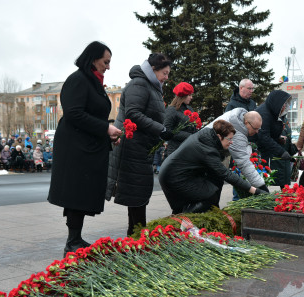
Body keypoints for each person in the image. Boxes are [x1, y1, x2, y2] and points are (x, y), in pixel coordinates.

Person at [48, 41, 122, 257]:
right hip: (75, 148)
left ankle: (76, 238)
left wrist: (108, 134)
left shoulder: (92, 81)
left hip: (86, 146)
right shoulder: (78, 79)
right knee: (76, 192)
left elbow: (92, 115)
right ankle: (72, 241)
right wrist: (106, 128)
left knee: (81, 192)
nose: (108, 66)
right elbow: (74, 114)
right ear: (93, 58)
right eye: (105, 62)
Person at [106, 53, 173, 237]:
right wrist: (160, 129)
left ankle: (135, 234)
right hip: (132, 145)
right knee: (136, 192)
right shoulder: (140, 84)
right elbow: (133, 114)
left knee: (138, 192)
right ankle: (136, 235)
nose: (167, 77)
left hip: (141, 145)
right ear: (153, 69)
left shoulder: (150, 85)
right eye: (165, 73)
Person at [159, 119, 267, 214]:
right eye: (229, 139)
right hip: (175, 178)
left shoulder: (207, 136)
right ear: (219, 136)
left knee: (213, 186)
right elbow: (226, 174)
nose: (231, 142)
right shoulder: (207, 149)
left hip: (175, 173)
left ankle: (189, 215)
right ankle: (183, 218)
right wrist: (255, 191)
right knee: (210, 197)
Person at [211, 108, 267, 190]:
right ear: (246, 123)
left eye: (259, 129)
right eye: (255, 128)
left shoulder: (237, 118)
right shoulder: (236, 133)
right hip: (205, 156)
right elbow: (243, 162)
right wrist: (261, 187)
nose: (257, 132)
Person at [255, 90, 296, 189]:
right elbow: (264, 137)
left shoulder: (273, 112)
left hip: (263, 149)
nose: (285, 107)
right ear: (278, 103)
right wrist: (281, 152)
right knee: (259, 178)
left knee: (261, 178)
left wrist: (278, 137)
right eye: (284, 104)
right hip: (257, 148)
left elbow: (270, 132)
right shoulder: (264, 113)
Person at [163, 82, 197, 157]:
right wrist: (189, 136)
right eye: (189, 95)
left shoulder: (190, 109)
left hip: (189, 149)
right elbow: (167, 131)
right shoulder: (171, 110)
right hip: (175, 151)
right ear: (182, 96)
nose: (191, 97)